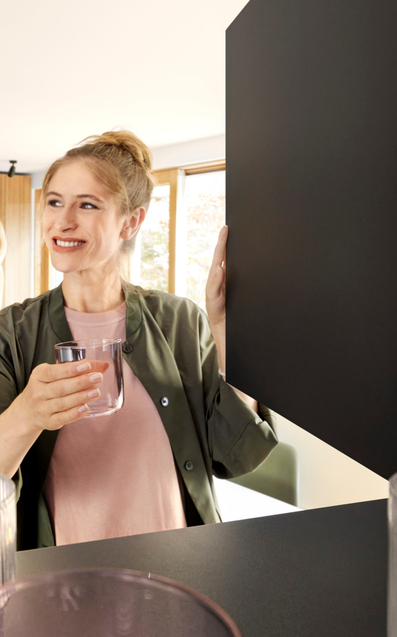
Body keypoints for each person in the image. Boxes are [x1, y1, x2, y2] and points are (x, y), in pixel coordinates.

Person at [0, 131, 278, 550]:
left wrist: (224, 329)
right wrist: (28, 413)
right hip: (65, 574)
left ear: (131, 221)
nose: (63, 221)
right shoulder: (11, 332)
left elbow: (238, 454)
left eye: (87, 205)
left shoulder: (180, 321)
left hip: (179, 563)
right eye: (54, 201)